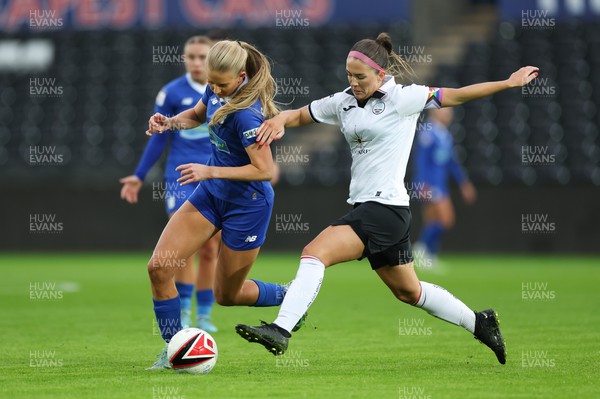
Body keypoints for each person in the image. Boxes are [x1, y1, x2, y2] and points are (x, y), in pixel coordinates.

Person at [236, 32, 539, 365]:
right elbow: (300, 115)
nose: (353, 82)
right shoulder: (343, 102)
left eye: (360, 76)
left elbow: (455, 96)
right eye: (349, 75)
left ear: (381, 74)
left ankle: (281, 329)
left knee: (314, 253)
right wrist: (279, 119)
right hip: (379, 211)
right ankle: (480, 322)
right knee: (410, 292)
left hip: (384, 209)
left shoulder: (403, 98)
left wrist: (508, 83)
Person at [144, 40, 302, 370]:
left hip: (247, 206)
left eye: (221, 83)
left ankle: (291, 297)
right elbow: (198, 115)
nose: (214, 88)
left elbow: (264, 170)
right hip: (211, 195)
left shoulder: (247, 115)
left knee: (226, 295)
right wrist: (170, 122)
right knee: (159, 268)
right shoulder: (216, 90)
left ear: (242, 76)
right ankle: (173, 348)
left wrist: (209, 169)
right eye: (211, 82)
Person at [119, 36, 219, 333]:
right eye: (191, 57)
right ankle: (184, 312)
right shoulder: (171, 92)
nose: (197, 62)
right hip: (180, 177)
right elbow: (158, 135)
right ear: (185, 59)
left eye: (202, 57)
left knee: (211, 248)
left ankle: (204, 315)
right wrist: (139, 174)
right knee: (183, 248)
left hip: (214, 175)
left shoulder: (223, 90)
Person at [412, 107, 477, 267]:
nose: (449, 114)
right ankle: (420, 248)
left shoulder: (444, 134)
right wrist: (422, 184)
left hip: (440, 183)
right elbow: (420, 160)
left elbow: (451, 162)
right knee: (446, 219)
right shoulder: (428, 132)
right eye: (446, 111)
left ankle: (429, 259)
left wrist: (464, 183)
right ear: (435, 112)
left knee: (432, 221)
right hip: (430, 184)